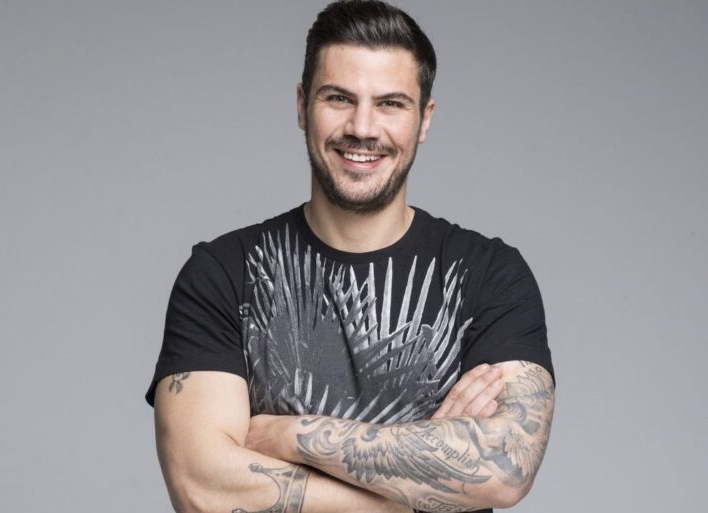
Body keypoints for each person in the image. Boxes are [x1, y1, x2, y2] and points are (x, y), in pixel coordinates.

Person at [145, 1, 555, 512]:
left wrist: (293, 436)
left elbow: (505, 467)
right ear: (302, 105)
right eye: (339, 98)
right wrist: (423, 489)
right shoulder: (223, 274)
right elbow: (202, 488)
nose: (363, 127)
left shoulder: (490, 276)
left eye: (390, 104)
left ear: (424, 119)